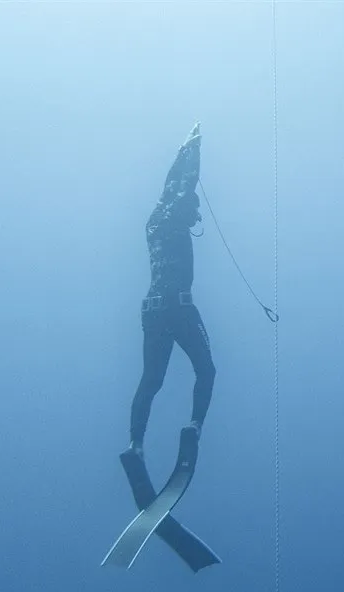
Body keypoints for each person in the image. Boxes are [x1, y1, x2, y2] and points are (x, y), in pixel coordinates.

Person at [127, 123, 216, 458]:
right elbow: (182, 184)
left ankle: (135, 444)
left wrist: (183, 150)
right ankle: (195, 426)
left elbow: (170, 186)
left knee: (151, 380)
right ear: (185, 205)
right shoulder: (176, 215)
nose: (195, 217)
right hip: (178, 307)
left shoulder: (154, 222)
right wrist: (194, 148)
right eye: (195, 210)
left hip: (153, 310)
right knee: (206, 370)